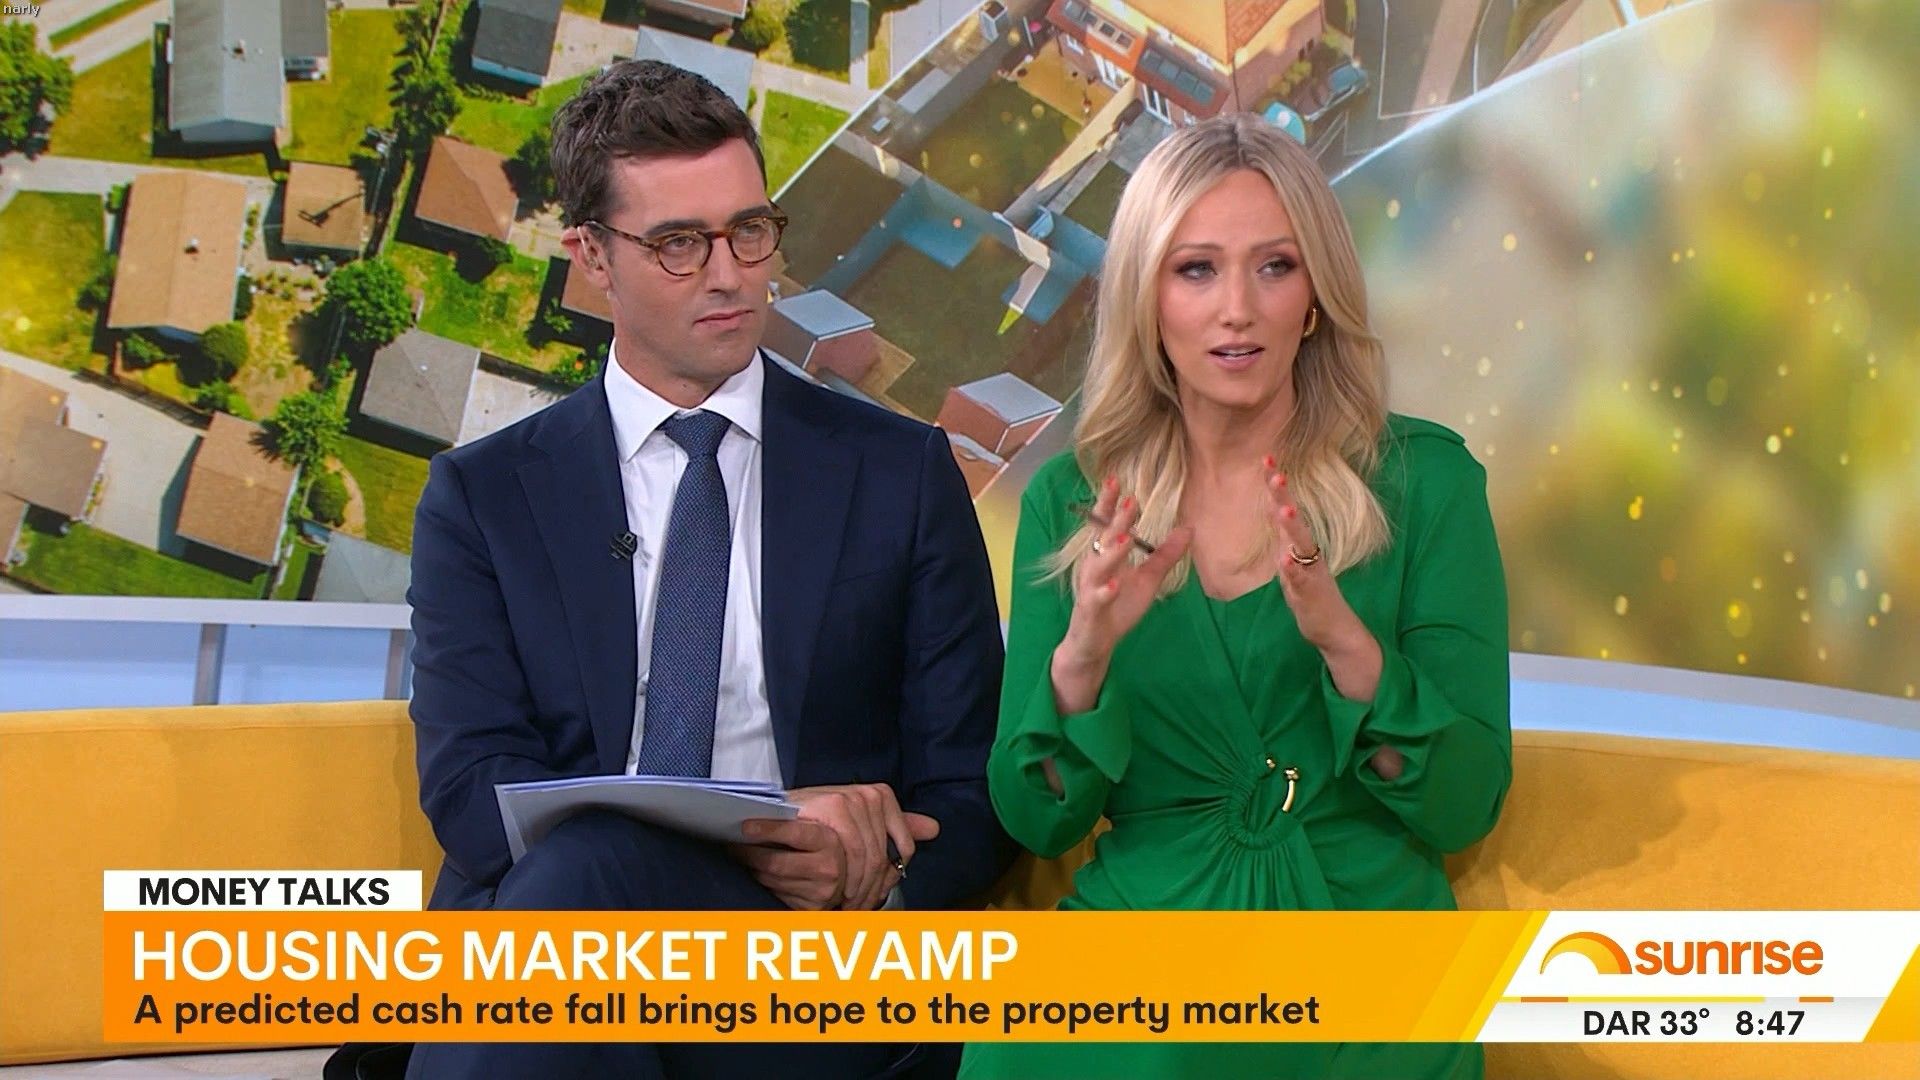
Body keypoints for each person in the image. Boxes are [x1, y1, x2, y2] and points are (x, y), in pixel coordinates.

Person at [393, 60, 1014, 1080]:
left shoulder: (898, 474)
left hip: (811, 971)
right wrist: (733, 833)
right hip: (576, 944)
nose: (731, 276)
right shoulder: (484, 498)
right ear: (592, 257)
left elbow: (974, 790)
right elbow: (472, 793)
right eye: (680, 244)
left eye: (749, 231)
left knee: (577, 904)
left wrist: (876, 870)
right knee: (588, 878)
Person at [958, 113, 1512, 1080]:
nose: (1238, 310)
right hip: (1138, 953)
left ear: (1315, 298)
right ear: (1147, 298)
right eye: (1197, 270)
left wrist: (1348, 647)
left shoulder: (1427, 484)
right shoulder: (1072, 504)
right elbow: (1038, 822)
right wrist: (1081, 660)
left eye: (1275, 267)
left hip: (1365, 950)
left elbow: (1464, 807)